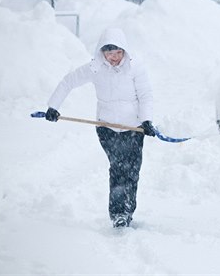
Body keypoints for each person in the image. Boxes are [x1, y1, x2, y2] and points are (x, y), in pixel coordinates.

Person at [45, 27, 155, 228]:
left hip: (134, 128)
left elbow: (146, 94)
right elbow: (68, 82)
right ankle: (118, 214)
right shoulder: (94, 68)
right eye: (110, 53)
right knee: (119, 167)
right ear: (102, 52)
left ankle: (128, 210)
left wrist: (146, 120)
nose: (114, 57)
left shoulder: (135, 68)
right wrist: (53, 106)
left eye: (119, 52)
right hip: (107, 128)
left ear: (125, 51)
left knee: (132, 171)